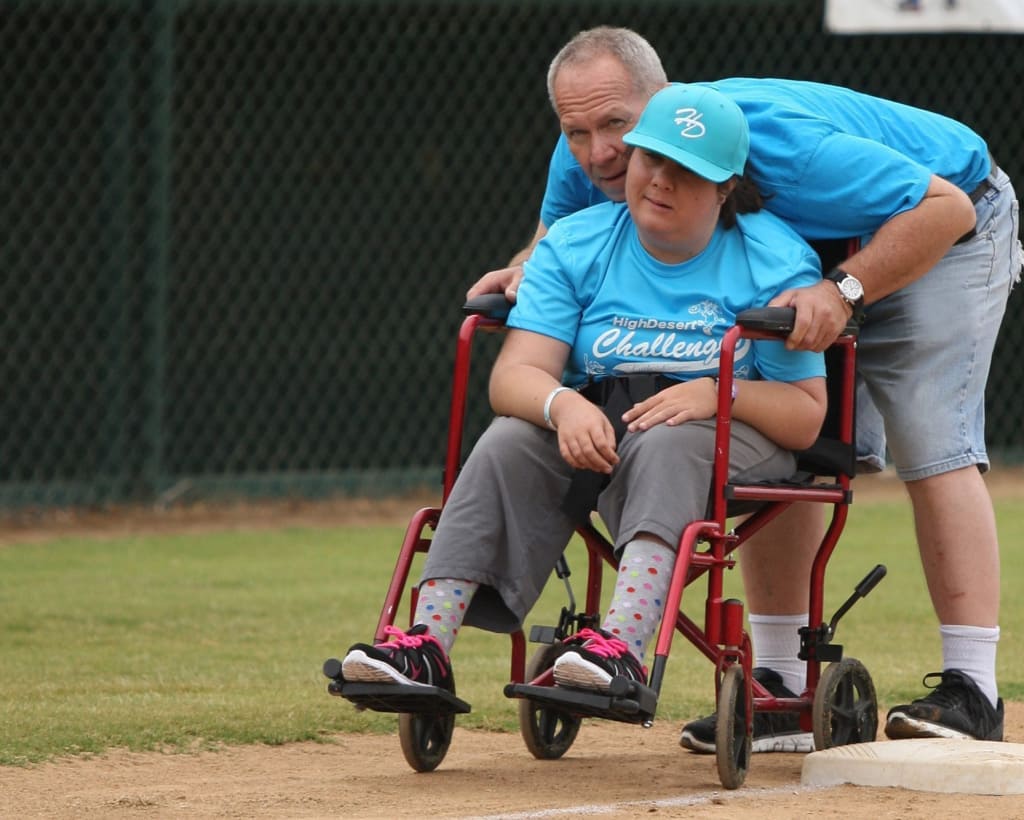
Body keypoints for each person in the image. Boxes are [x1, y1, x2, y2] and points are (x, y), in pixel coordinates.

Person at [468, 26, 1024, 750]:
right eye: (577, 131)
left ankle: (972, 689)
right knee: (777, 432)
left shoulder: (782, 150)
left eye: (614, 125)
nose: (598, 152)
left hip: (943, 219)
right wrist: (525, 267)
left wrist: (846, 290)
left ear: (661, 103)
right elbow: (557, 234)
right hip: (816, 250)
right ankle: (779, 686)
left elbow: (946, 207)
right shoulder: (597, 142)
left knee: (931, 435)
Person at [339, 84, 830, 707]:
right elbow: (515, 376)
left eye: (687, 171)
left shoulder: (776, 259)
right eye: (652, 159)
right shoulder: (578, 243)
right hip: (597, 420)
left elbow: (806, 417)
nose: (660, 182)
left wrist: (719, 394)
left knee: (667, 442)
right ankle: (425, 645)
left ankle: (620, 647)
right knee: (511, 438)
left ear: (725, 186)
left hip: (728, 434)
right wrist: (562, 404)